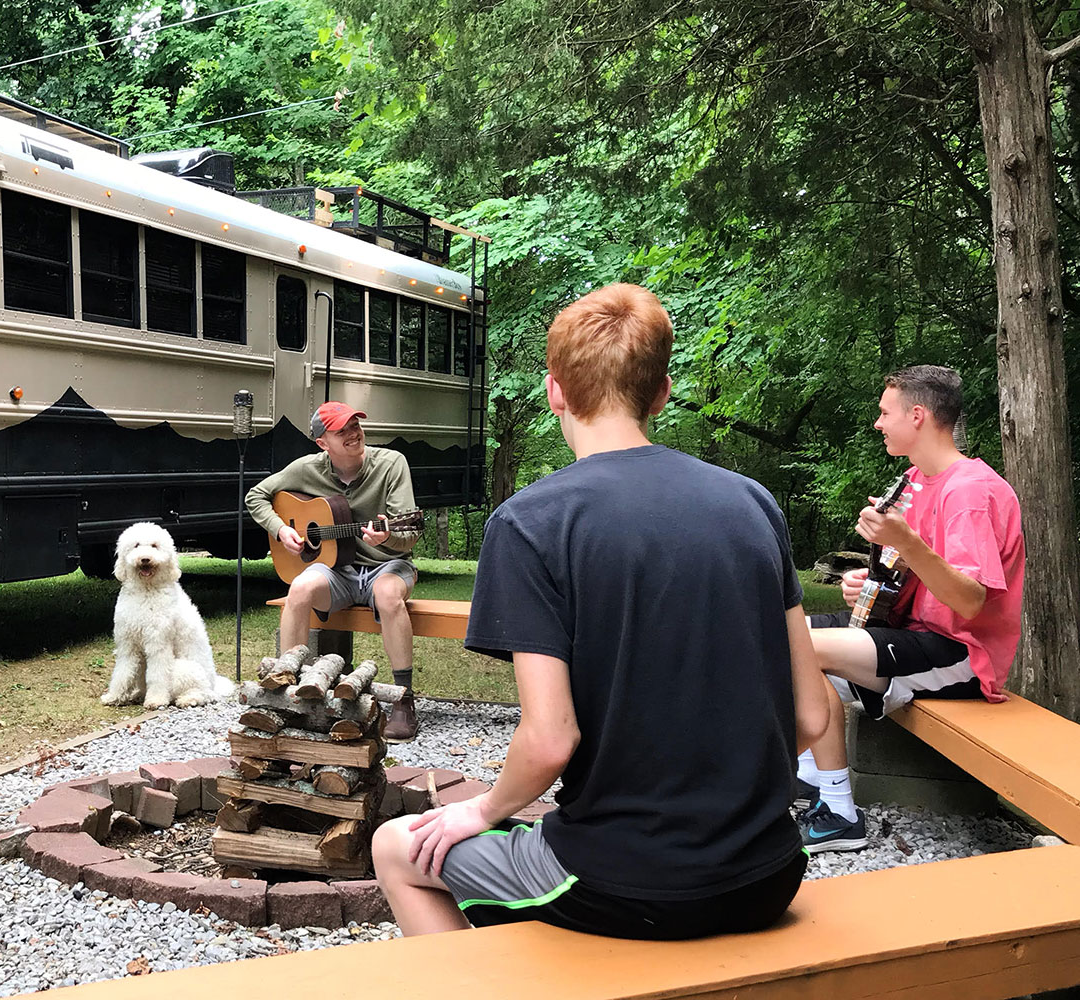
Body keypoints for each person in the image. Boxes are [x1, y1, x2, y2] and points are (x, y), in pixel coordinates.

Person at [372, 283, 829, 939]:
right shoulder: (753, 504)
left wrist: (483, 811)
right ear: (662, 392)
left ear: (556, 390)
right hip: (767, 875)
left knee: (396, 846)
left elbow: (551, 740)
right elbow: (813, 715)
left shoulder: (530, 523)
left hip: (624, 885)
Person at [796, 365, 1025, 853]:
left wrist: (906, 539)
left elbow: (970, 599)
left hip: (962, 655)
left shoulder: (969, 492)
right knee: (776, 630)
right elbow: (905, 578)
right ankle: (810, 775)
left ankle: (837, 810)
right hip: (909, 633)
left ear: (917, 415)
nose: (878, 423)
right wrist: (865, 585)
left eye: (885, 412)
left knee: (800, 646)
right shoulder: (914, 481)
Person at [244, 401, 423, 739]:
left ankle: (403, 699)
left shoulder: (391, 464)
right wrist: (282, 530)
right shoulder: (305, 469)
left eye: (355, 425)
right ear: (322, 443)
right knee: (298, 589)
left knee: (387, 594)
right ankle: (288, 690)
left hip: (387, 564)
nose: (353, 433)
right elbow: (256, 497)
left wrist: (389, 536)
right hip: (335, 569)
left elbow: (410, 534)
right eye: (341, 430)